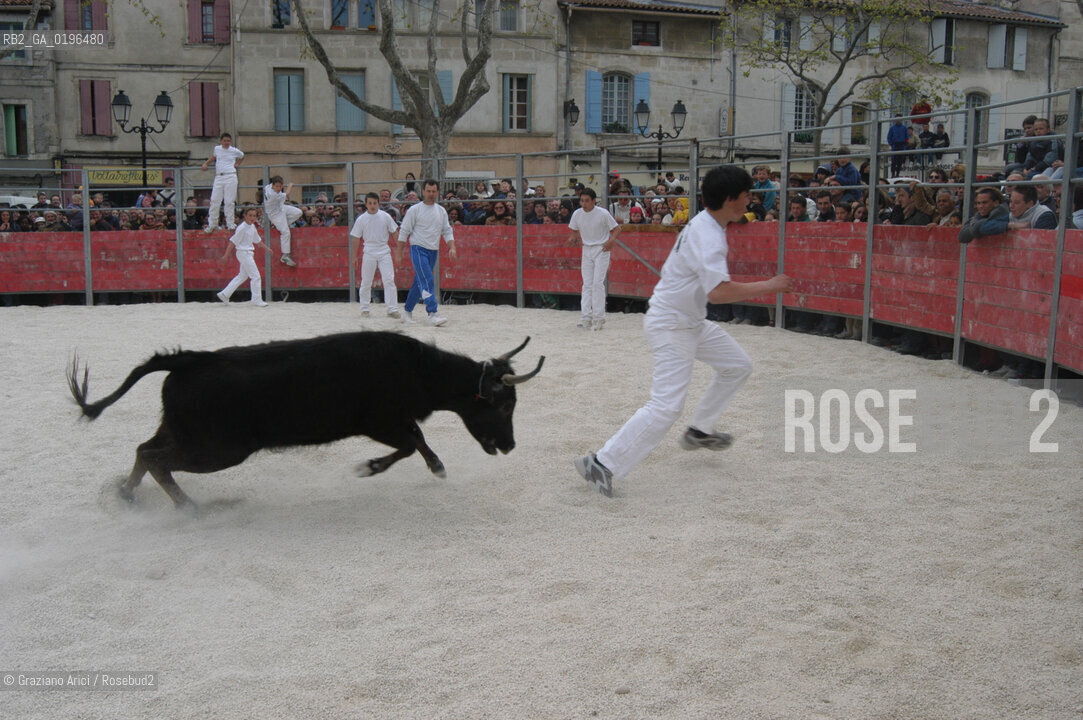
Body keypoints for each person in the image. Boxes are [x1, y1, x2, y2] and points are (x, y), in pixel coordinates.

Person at [574, 165, 792, 497]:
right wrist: (770, 286)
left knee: (737, 366)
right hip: (673, 323)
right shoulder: (708, 234)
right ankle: (601, 462)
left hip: (688, 320)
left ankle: (700, 431)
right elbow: (718, 292)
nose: (750, 200)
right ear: (730, 199)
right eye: (746, 194)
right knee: (665, 406)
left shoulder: (710, 226)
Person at [396, 178, 456, 327]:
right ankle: (432, 313)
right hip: (417, 248)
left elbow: (447, 231)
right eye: (428, 191)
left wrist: (452, 247)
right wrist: (399, 252)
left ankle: (407, 312)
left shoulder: (441, 211)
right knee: (428, 279)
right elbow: (404, 231)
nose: (430, 194)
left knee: (419, 282)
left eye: (433, 191)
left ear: (437, 192)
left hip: (433, 251)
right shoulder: (414, 210)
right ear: (422, 192)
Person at [567, 187, 620, 331]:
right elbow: (574, 231)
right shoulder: (577, 214)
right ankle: (585, 317)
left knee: (597, 284)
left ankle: (598, 318)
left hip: (601, 248)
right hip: (586, 249)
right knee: (587, 284)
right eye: (582, 201)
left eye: (587, 201)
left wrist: (612, 240)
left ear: (593, 201)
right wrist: (572, 239)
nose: (584, 204)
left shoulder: (603, 213)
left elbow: (616, 228)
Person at [350, 192, 401, 319]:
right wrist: (354, 256)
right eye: (370, 203)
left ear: (378, 203)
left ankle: (392, 309)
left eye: (374, 203)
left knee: (389, 280)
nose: (372, 206)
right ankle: (365, 309)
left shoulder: (385, 216)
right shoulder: (361, 219)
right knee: (366, 281)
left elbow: (395, 233)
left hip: (384, 250)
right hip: (369, 251)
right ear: (366, 204)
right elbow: (356, 238)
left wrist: (399, 250)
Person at [217, 207, 273, 306]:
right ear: (245, 216)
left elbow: (257, 240)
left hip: (248, 253)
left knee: (242, 276)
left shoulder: (252, 227)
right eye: (250, 215)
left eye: (254, 216)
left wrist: (267, 248)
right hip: (243, 253)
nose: (252, 218)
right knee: (256, 276)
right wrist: (226, 255)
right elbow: (232, 242)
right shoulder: (242, 228)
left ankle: (225, 294)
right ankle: (256, 299)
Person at [201, 132, 244, 233]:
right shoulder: (217, 149)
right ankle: (212, 224)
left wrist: (237, 163)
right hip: (219, 176)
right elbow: (214, 157)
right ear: (221, 141)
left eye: (228, 141)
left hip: (230, 175)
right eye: (225, 140)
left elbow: (242, 156)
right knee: (215, 200)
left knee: (229, 201)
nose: (227, 142)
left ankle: (230, 223)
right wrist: (206, 163)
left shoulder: (234, 150)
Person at [262, 175, 302, 267]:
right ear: (273, 185)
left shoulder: (268, 187)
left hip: (281, 208)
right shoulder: (274, 194)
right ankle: (285, 255)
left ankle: (281, 225)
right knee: (286, 233)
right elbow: (287, 194)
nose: (279, 188)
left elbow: (265, 188)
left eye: (280, 186)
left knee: (298, 212)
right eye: (277, 186)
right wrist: (290, 185)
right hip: (275, 214)